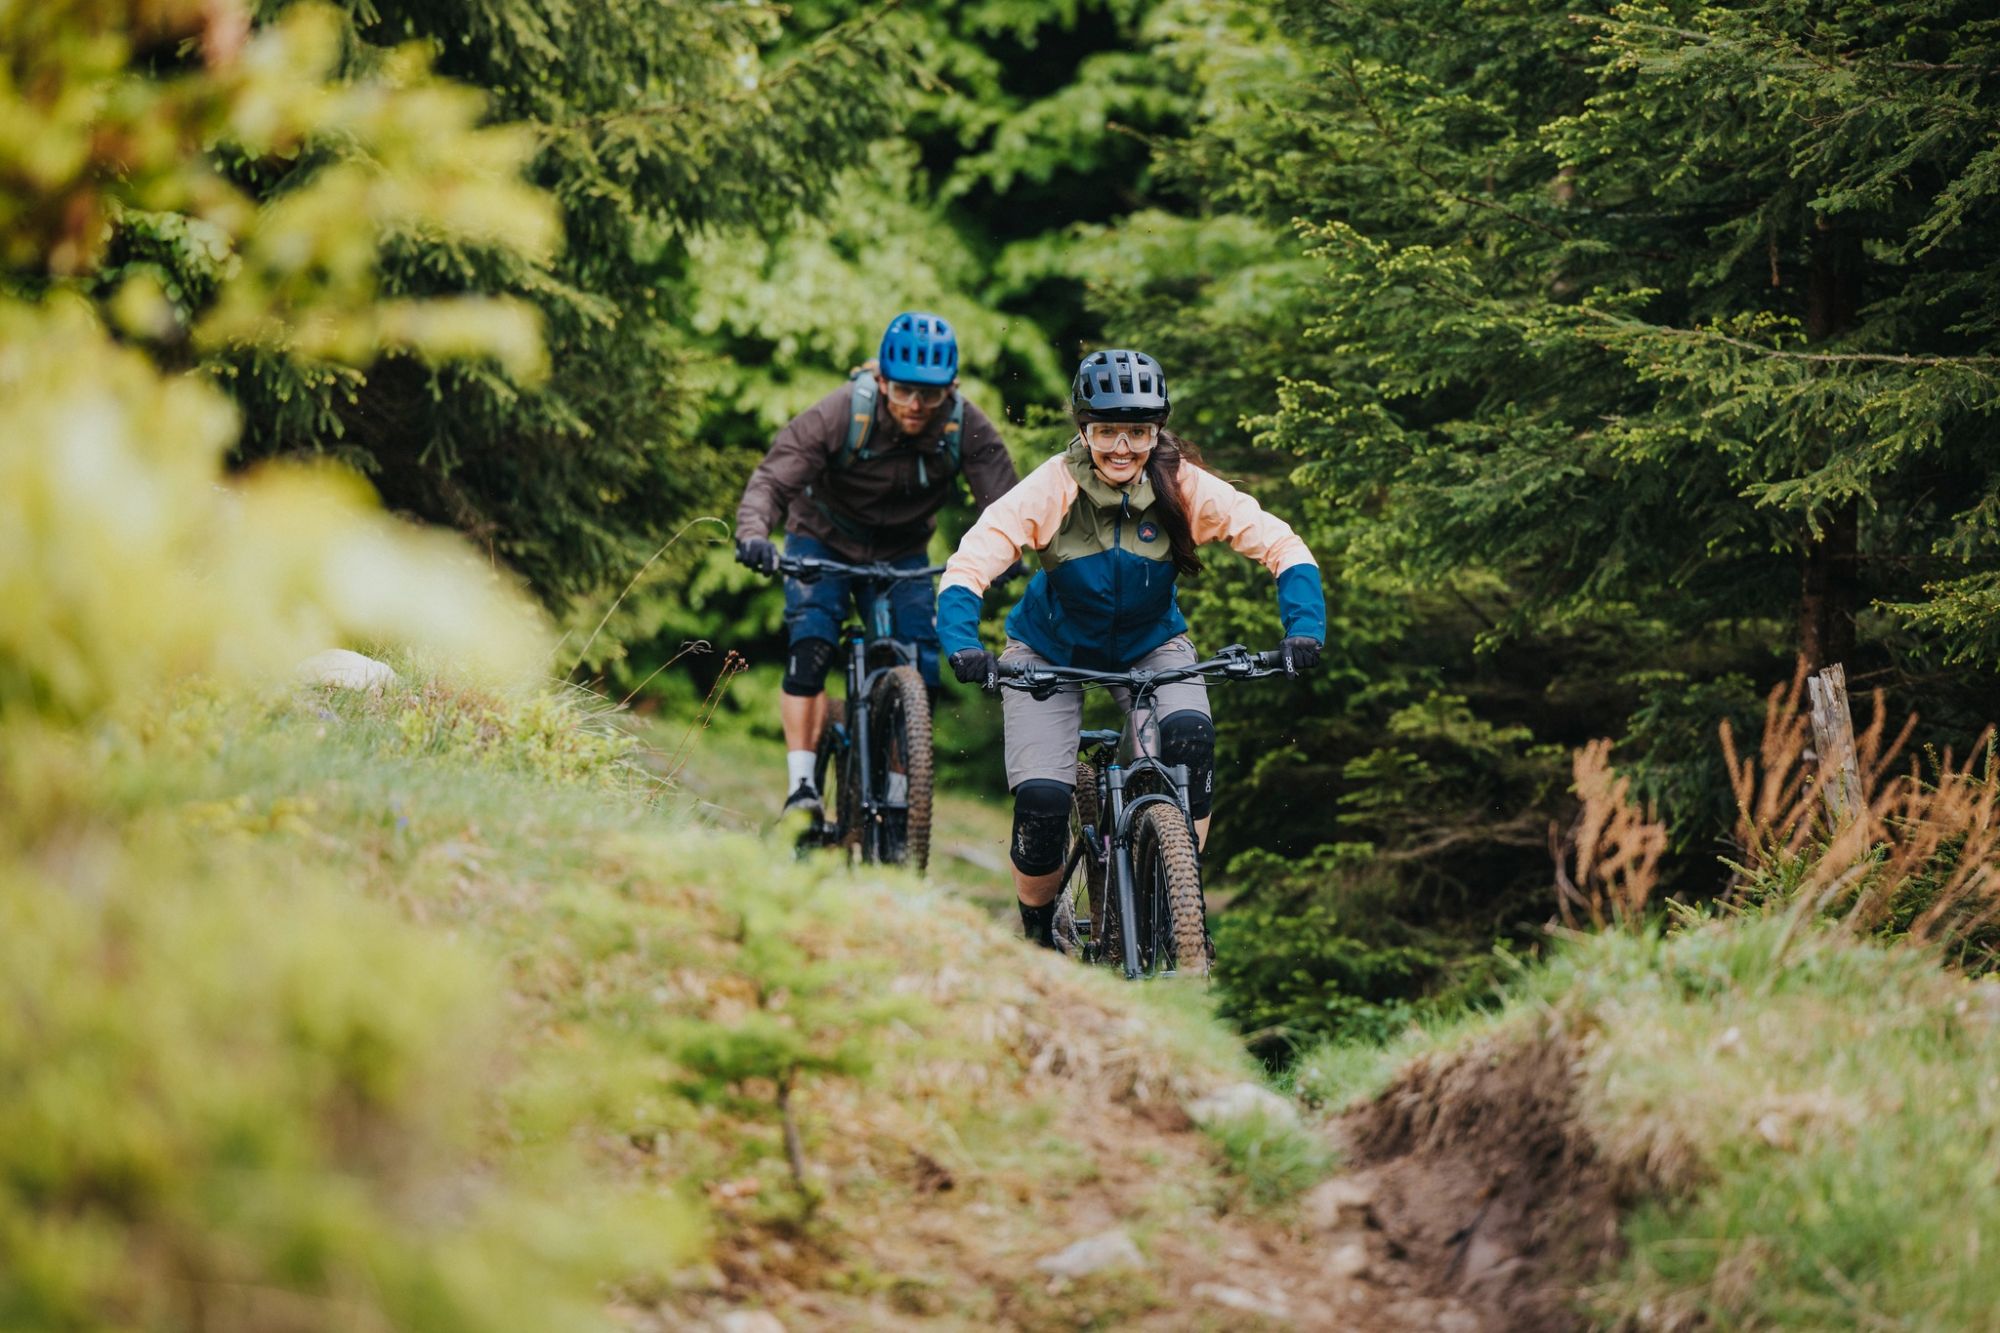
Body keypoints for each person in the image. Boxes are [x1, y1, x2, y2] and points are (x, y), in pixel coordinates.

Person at [935, 349, 1326, 947]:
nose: (1122, 448)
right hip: (1048, 650)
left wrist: (1303, 629)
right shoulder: (1053, 487)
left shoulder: (1182, 485)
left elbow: (1282, 545)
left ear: (1157, 431)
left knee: (1190, 735)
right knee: (1042, 801)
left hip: (1151, 645)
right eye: (1107, 432)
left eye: (1138, 433)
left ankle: (1178, 892)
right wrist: (964, 644)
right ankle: (1038, 932)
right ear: (1083, 430)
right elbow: (970, 563)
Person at [736, 311, 1021, 816]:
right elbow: (773, 479)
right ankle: (801, 788)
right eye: (904, 390)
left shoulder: (963, 424)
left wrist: (1008, 555)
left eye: (929, 394)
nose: (915, 405)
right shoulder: (842, 412)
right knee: (811, 646)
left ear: (951, 389)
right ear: (883, 381)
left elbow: (1006, 507)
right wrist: (754, 534)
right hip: (822, 539)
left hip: (902, 553)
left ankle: (897, 789)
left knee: (921, 666)